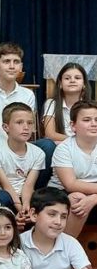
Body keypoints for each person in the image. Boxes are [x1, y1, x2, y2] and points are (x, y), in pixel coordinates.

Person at [0, 42, 55, 186]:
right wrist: (3, 151)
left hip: (21, 146)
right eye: (6, 61)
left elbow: (28, 128)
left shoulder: (28, 94)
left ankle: (36, 189)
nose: (12, 66)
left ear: (21, 66)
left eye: (16, 62)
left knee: (48, 145)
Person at [20, 187, 97, 269]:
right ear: (34, 214)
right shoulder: (18, 243)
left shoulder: (70, 243)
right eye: (52, 214)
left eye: (63, 216)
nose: (58, 222)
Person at [49, 100, 97, 237]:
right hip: (63, 193)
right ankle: (65, 247)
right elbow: (71, 184)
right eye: (87, 120)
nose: (94, 124)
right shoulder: (64, 149)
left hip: (93, 193)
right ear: (73, 125)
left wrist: (94, 198)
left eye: (96, 119)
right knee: (77, 198)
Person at [0, 102, 45, 212]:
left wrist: (26, 207)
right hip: (4, 198)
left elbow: (29, 186)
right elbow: (6, 186)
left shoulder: (38, 153)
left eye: (30, 123)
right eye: (19, 122)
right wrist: (19, 208)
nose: (26, 127)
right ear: (6, 127)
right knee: (3, 196)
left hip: (25, 196)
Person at [42, 62, 92, 143]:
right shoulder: (52, 103)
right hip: (61, 144)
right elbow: (50, 134)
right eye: (67, 78)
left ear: (84, 84)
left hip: (86, 144)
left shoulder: (91, 107)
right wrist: (75, 141)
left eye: (77, 78)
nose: (72, 80)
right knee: (47, 144)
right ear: (60, 84)